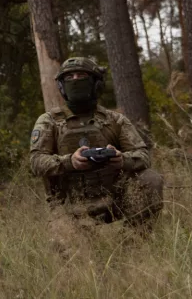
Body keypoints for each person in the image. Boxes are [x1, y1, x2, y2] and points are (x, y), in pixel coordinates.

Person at [29, 56, 164, 228]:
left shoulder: (114, 120)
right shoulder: (49, 121)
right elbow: (36, 161)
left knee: (151, 179)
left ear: (96, 83)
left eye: (81, 75)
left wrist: (122, 159)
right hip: (69, 207)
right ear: (61, 86)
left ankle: (133, 242)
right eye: (69, 77)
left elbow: (143, 156)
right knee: (73, 253)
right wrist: (70, 162)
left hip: (115, 199)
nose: (75, 80)